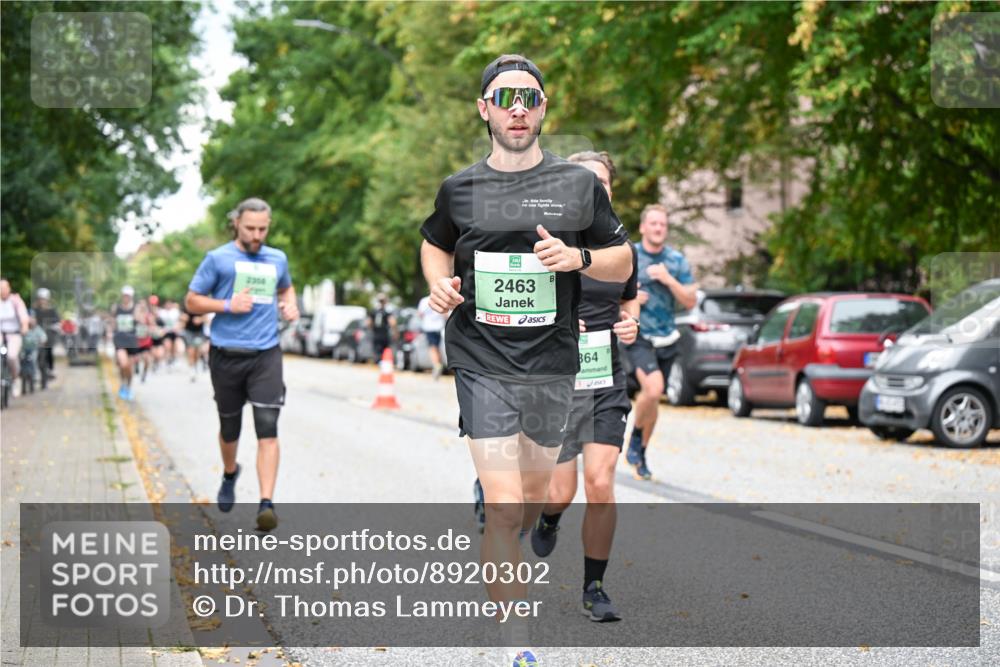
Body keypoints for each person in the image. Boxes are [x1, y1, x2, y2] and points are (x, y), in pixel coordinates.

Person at [419, 54, 632, 652]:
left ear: (544, 109)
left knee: (538, 500)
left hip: (551, 365)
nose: (518, 107)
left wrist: (580, 259)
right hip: (481, 359)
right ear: (484, 109)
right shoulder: (459, 189)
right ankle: (516, 643)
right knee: (508, 509)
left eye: (530, 98)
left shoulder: (577, 185)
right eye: (505, 97)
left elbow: (623, 259)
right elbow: (435, 243)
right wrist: (439, 282)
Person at [530, 150, 638, 623]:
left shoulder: (618, 248)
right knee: (562, 490)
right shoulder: (547, 241)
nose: (597, 188)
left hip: (605, 379)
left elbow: (628, 303)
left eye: (603, 182)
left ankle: (594, 586)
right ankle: (549, 517)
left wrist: (630, 327)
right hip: (557, 382)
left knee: (600, 482)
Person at [185, 197, 298, 532]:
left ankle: (266, 504)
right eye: (250, 228)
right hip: (225, 355)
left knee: (267, 427)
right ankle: (230, 472)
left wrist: (290, 306)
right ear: (236, 223)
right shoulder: (218, 259)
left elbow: (287, 289)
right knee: (230, 429)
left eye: (263, 229)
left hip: (265, 354)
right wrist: (226, 305)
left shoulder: (277, 258)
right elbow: (191, 301)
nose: (256, 235)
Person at [624, 204, 698, 480]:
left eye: (662, 225)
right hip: (639, 334)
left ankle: (640, 451)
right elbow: (610, 292)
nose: (658, 229)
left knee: (654, 400)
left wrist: (669, 280)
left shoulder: (676, 261)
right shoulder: (630, 254)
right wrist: (630, 296)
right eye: (653, 224)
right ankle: (633, 438)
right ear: (643, 227)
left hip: (668, 336)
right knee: (653, 390)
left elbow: (690, 300)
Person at [0, 279, 30, 395]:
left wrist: (24, 326)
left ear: (9, 289)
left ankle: (15, 378)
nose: (2, 291)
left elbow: (23, 316)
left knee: (12, 356)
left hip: (14, 334)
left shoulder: (15, 301)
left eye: (4, 288)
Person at [111, 285, 140, 400]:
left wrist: (138, 318)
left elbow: (141, 321)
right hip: (120, 340)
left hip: (132, 341)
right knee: (123, 364)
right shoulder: (116, 308)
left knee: (129, 367)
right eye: (124, 296)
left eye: (128, 296)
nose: (126, 298)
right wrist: (110, 332)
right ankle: (123, 384)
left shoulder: (136, 309)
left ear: (131, 296)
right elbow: (112, 322)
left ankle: (128, 386)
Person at [417, 293, 446, 379]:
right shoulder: (441, 297)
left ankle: (437, 365)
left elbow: (420, 314)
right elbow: (445, 315)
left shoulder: (424, 301)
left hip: (429, 327)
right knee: (437, 347)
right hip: (439, 327)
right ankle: (439, 364)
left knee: (432, 348)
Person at [33, 288, 60, 380]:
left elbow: (58, 322)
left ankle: (51, 368)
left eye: (44, 299)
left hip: (49, 335)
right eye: (40, 299)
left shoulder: (52, 310)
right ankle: (35, 370)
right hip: (37, 335)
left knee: (49, 351)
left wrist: (54, 326)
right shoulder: (35, 310)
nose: (42, 301)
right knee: (34, 352)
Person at [368, 293, 395, 361]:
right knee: (384, 351)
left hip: (377, 334)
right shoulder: (387, 311)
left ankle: (378, 363)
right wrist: (395, 331)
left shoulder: (374, 311)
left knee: (377, 352)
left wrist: (371, 329)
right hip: (383, 334)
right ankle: (381, 363)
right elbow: (392, 323)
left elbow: (369, 323)